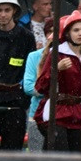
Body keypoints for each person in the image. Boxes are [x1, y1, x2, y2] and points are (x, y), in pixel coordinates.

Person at [35, 11, 81, 152]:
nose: (80, 34)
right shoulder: (57, 52)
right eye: (76, 30)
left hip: (76, 113)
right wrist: (56, 70)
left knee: (74, 156)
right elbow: (40, 86)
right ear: (67, 33)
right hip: (57, 111)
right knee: (58, 154)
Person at [0, 0, 36, 151]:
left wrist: (23, 101)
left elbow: (30, 70)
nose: (3, 15)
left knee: (13, 151)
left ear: (14, 11)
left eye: (7, 10)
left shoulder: (26, 37)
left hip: (15, 102)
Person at [22, 19, 55, 152]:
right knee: (37, 157)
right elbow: (29, 87)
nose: (53, 36)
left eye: (57, 32)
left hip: (62, 115)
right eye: (50, 32)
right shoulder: (34, 56)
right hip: (37, 114)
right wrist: (53, 91)